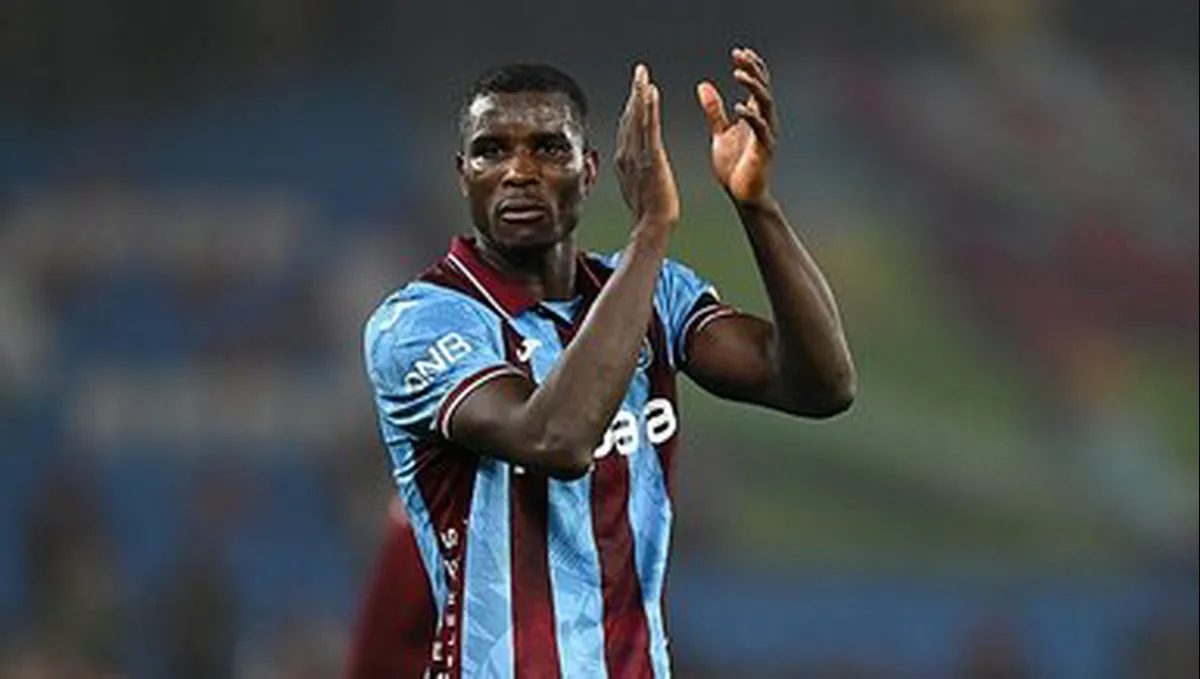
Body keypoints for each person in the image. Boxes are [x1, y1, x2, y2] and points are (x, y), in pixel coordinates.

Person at [362, 47, 856, 678]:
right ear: (464, 175)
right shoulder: (419, 323)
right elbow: (554, 438)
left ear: (590, 169)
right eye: (491, 151)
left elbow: (821, 386)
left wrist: (756, 204)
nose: (519, 171)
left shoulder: (655, 293)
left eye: (549, 148)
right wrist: (651, 227)